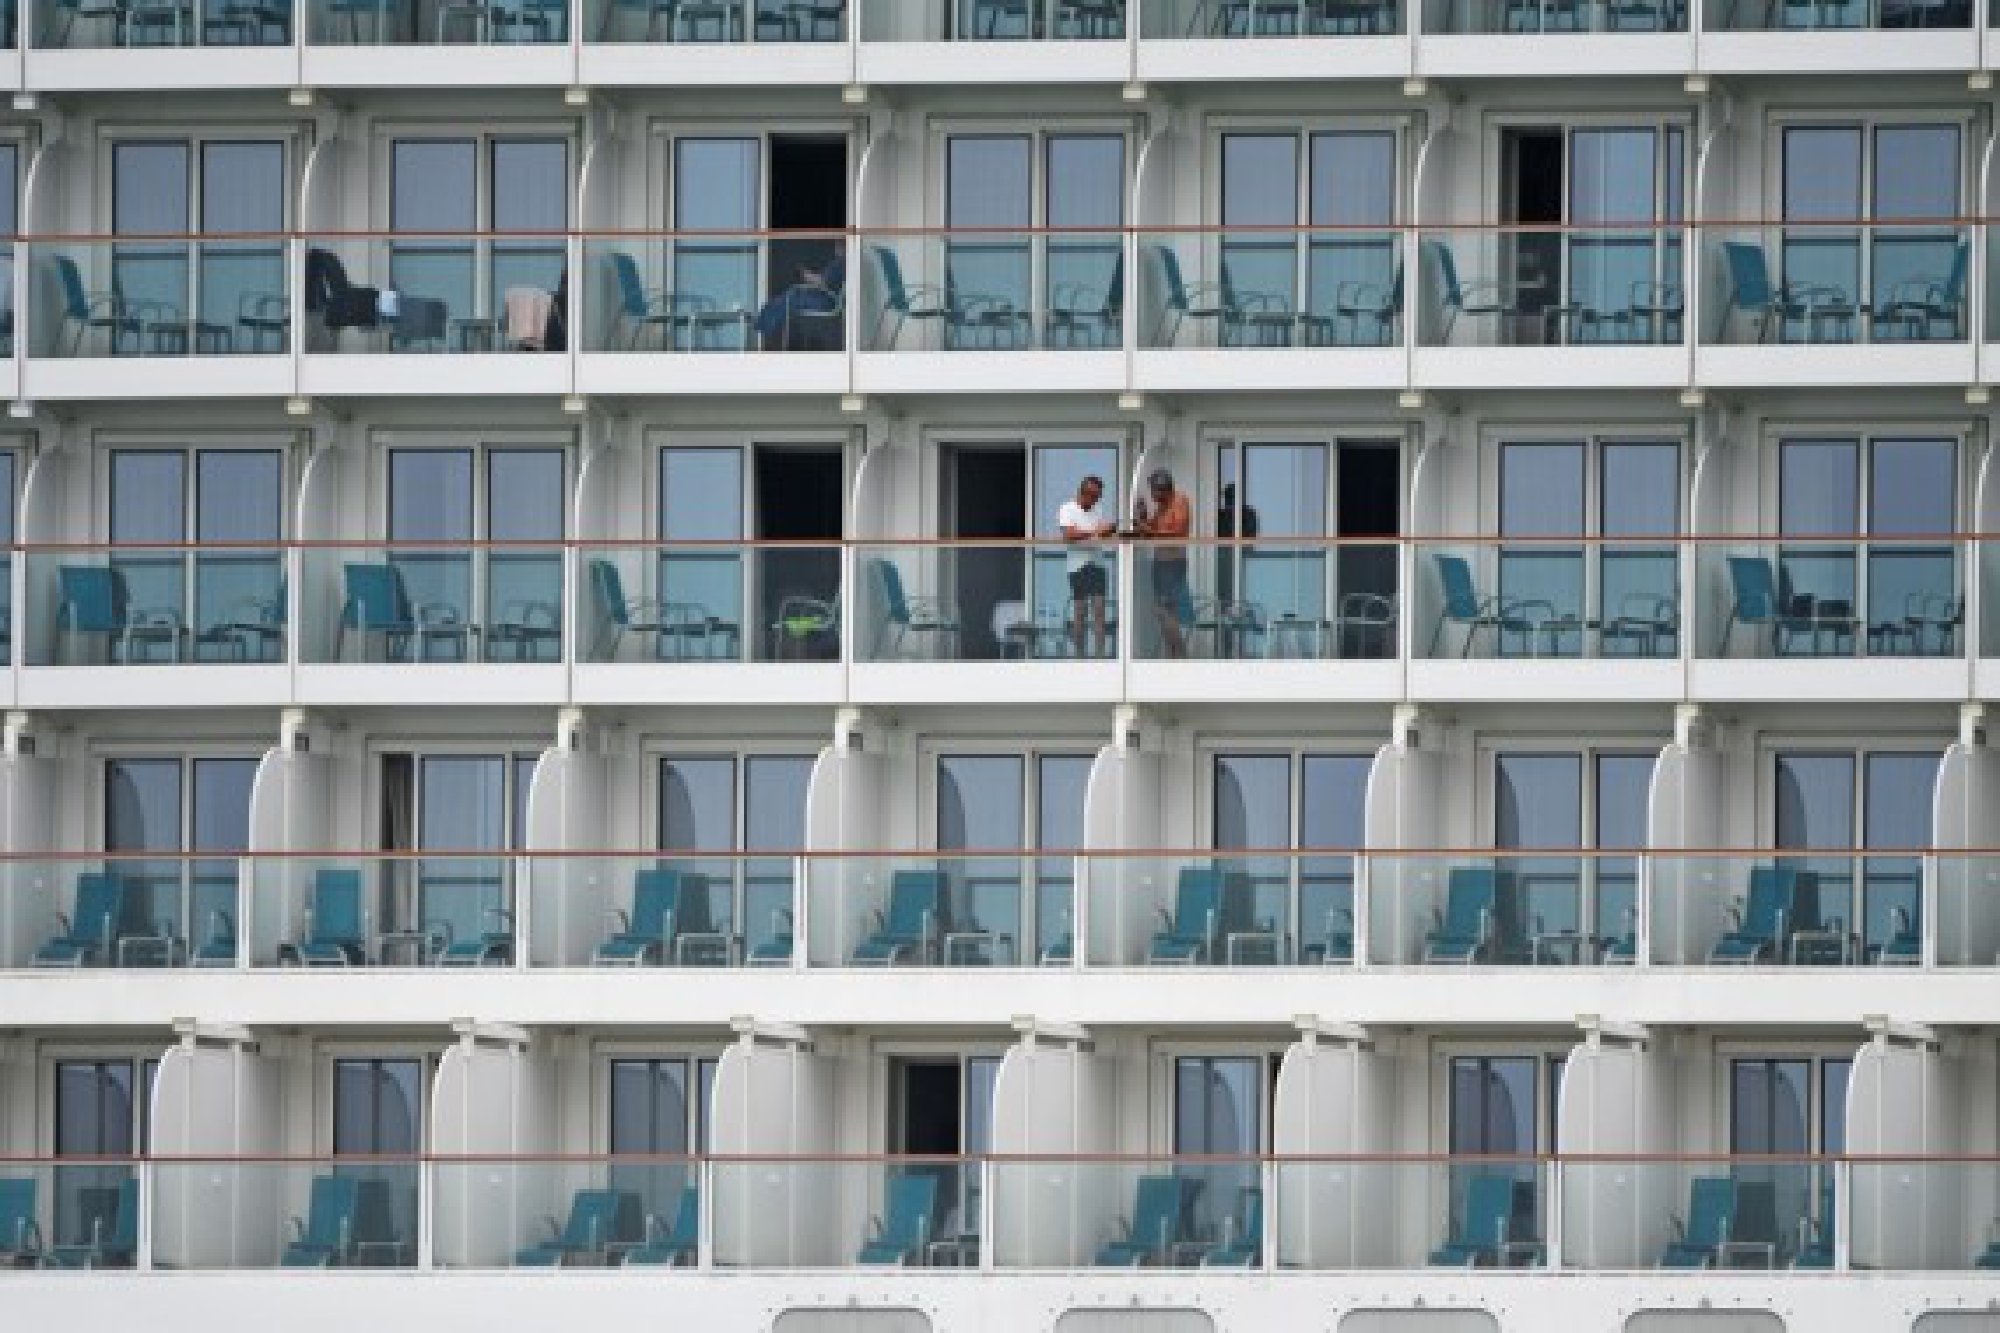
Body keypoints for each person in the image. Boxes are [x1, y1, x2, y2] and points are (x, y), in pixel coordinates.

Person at [1132, 467, 1192, 658]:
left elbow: (1180, 531)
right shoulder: (1161, 506)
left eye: (1153, 491)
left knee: (1166, 610)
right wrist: (1141, 515)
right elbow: (1151, 529)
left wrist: (1151, 531)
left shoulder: (1179, 500)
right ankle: (1171, 655)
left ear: (1163, 488)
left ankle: (1181, 653)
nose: (1152, 495)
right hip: (1160, 563)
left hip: (1173, 563)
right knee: (1163, 611)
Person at [1058, 475, 1115, 658]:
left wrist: (1106, 532)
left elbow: (1096, 535)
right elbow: (1069, 534)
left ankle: (1099, 657)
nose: (1097, 500)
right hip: (1077, 566)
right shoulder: (1067, 508)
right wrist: (1096, 532)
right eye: (1095, 495)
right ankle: (1079, 657)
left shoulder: (1097, 509)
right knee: (1080, 613)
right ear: (1084, 493)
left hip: (1097, 563)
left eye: (1099, 496)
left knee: (1099, 611)